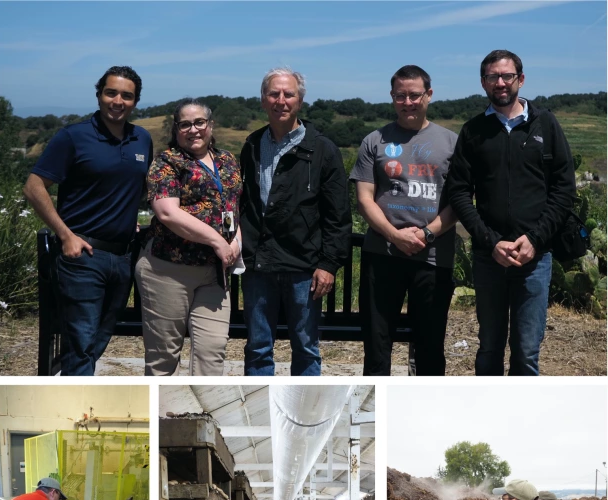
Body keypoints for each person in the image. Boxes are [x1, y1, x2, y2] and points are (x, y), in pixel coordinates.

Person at [444, 49, 576, 376]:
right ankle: (486, 419)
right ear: (483, 82)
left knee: (527, 351)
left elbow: (563, 190)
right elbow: (459, 192)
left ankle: (520, 421)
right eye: (492, 77)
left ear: (521, 79)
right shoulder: (474, 131)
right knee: (488, 346)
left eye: (507, 76)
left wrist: (534, 238)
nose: (500, 83)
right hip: (490, 257)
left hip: (535, 257)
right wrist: (490, 242)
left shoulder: (546, 124)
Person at [23, 66, 153, 376]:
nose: (117, 101)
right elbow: (33, 186)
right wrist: (65, 235)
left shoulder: (142, 139)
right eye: (111, 93)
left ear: (135, 102)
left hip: (122, 258)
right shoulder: (74, 136)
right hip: (83, 257)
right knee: (81, 345)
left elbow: (140, 187)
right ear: (99, 95)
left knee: (97, 341)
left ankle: (72, 386)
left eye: (127, 95)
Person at [239, 67, 351, 376]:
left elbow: (338, 215)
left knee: (305, 348)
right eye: (274, 93)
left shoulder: (322, 150)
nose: (281, 100)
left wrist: (328, 265)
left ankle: (306, 416)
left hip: (305, 268)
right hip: (259, 266)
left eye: (288, 94)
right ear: (263, 100)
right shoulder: (251, 145)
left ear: (299, 100)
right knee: (258, 348)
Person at [352, 65, 459, 376]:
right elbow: (364, 199)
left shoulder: (451, 142)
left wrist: (426, 235)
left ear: (429, 94)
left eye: (415, 95)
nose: (408, 102)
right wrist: (394, 235)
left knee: (430, 347)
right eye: (401, 96)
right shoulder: (374, 140)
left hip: (434, 257)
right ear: (392, 97)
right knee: (376, 345)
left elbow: (458, 202)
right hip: (382, 254)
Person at [136, 99, 242, 376]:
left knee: (212, 355)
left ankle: (203, 412)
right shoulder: (167, 163)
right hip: (168, 271)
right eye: (185, 124)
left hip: (214, 274)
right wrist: (217, 241)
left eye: (199, 122)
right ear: (176, 129)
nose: (193, 129)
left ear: (210, 125)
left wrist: (235, 242)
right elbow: (167, 213)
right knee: (164, 358)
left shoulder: (227, 160)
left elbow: (233, 207)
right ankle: (161, 414)